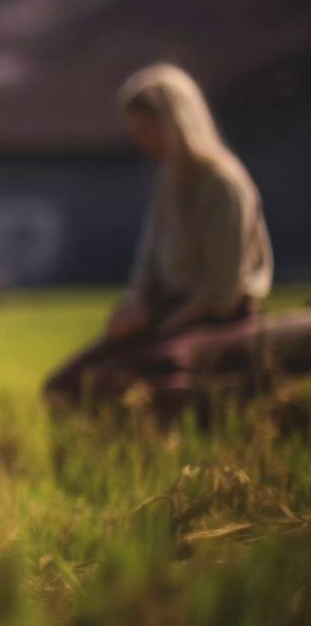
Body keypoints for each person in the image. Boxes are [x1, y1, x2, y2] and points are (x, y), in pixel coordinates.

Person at [43, 63, 273, 415]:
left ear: (178, 123)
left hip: (215, 321)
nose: (143, 140)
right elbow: (148, 261)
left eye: (149, 129)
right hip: (162, 310)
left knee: (123, 382)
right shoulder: (170, 179)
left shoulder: (223, 185)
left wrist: (162, 326)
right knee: (64, 384)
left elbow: (222, 293)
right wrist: (136, 304)